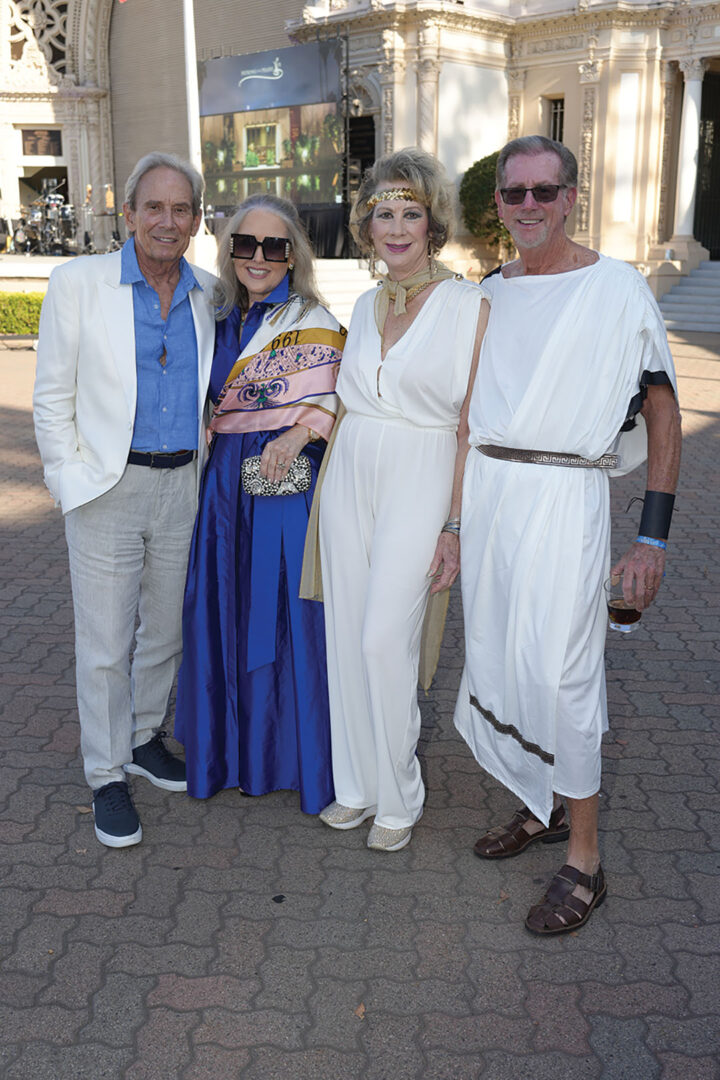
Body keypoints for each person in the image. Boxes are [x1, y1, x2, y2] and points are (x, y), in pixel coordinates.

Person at [454, 135, 681, 933]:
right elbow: (463, 414)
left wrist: (651, 538)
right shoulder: (492, 289)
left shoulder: (617, 290)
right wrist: (453, 523)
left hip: (564, 499)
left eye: (541, 192)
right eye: (511, 194)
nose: (525, 207)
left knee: (565, 676)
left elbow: (660, 407)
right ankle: (538, 803)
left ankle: (585, 859)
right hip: (491, 497)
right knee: (504, 658)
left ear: (570, 197)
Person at [33, 152, 217, 848]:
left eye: (181, 210)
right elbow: (50, 398)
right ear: (130, 214)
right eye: (154, 208)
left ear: (195, 221)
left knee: (165, 630)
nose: (167, 221)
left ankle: (142, 740)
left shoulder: (207, 291)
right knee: (105, 643)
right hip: (106, 489)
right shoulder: (78, 283)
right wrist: (68, 482)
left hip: (182, 486)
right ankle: (106, 773)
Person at [314, 147, 489, 852]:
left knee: (385, 638)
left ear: (432, 221)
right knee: (345, 637)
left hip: (423, 469)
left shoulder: (469, 303)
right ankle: (356, 787)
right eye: (382, 212)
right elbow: (343, 398)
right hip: (350, 474)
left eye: (409, 212)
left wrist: (454, 523)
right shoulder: (362, 305)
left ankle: (400, 792)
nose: (395, 226)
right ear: (367, 225)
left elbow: (473, 423)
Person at [174, 194, 345, 813]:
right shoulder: (214, 317)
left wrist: (299, 432)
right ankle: (227, 753)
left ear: (293, 254)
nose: (258, 258)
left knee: (281, 614)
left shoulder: (314, 320)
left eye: (274, 247)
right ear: (229, 250)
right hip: (222, 487)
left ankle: (292, 756)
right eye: (244, 244)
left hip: (282, 482)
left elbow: (344, 397)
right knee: (222, 606)